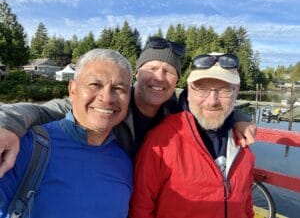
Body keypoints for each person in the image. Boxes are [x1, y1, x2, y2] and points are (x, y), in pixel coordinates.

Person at [0, 37, 256, 177]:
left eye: (168, 71)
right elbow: (42, 110)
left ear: (176, 81)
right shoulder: (111, 102)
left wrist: (239, 117)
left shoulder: (177, 106)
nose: (159, 77)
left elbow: (212, 102)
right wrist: (7, 125)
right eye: (151, 69)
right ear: (136, 75)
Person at [0, 49, 133, 218]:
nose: (107, 98)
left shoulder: (124, 163)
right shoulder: (26, 147)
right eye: (95, 85)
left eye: (119, 88)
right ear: (72, 89)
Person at [129, 52, 255, 218]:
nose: (212, 101)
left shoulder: (243, 142)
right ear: (189, 91)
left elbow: (246, 204)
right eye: (201, 89)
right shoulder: (162, 141)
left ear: (236, 91)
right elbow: (140, 209)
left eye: (224, 90)